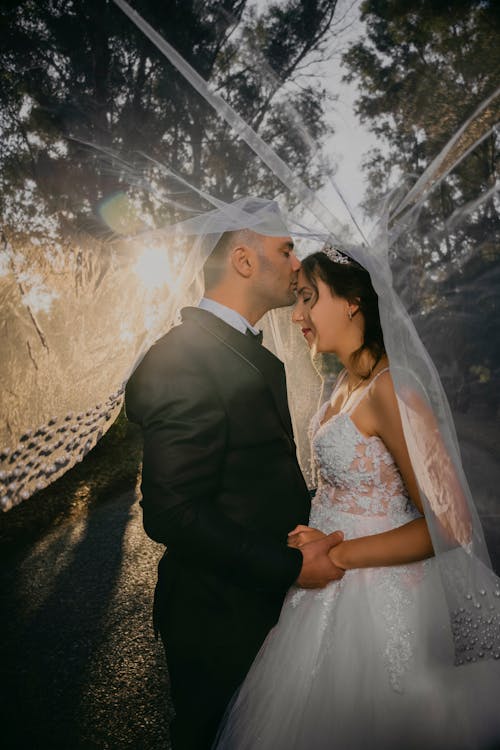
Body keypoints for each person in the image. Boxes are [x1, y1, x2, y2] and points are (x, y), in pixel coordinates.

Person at [214, 246, 500, 750]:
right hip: (326, 591)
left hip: (378, 600)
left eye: (307, 298)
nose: (297, 313)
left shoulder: (395, 389)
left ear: (352, 301)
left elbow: (452, 524)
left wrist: (338, 552)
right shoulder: (344, 382)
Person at [124, 200, 345, 750]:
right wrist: (289, 566)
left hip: (253, 606)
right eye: (286, 249)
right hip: (218, 617)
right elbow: (171, 512)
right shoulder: (185, 358)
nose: (298, 264)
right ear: (244, 261)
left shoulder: (234, 349)